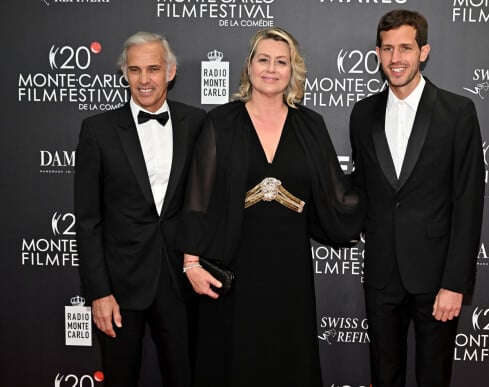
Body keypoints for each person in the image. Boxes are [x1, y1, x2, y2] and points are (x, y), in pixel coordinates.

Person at [177, 27, 364, 387]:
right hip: (233, 267)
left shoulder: (310, 125)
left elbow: (337, 194)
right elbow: (197, 197)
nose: (271, 69)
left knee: (287, 363)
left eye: (282, 62)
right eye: (263, 59)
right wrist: (190, 263)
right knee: (234, 363)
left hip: (289, 272)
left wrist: (376, 187)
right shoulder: (220, 122)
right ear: (249, 66)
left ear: (293, 71)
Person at [349, 10, 485, 387]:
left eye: (405, 48)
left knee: (433, 377)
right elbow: (360, 187)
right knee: (384, 375)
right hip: (380, 275)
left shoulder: (457, 113)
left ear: (423, 51)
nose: (396, 59)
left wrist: (455, 283)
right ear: (377, 53)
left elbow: (469, 201)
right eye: (388, 49)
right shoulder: (362, 114)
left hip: (436, 278)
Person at [74, 31, 206, 387]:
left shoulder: (197, 124)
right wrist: (99, 293)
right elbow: (88, 221)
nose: (144, 80)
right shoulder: (97, 130)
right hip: (119, 285)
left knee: (185, 377)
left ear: (171, 72)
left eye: (153, 69)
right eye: (134, 70)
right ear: (125, 74)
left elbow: (207, 201)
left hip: (180, 283)